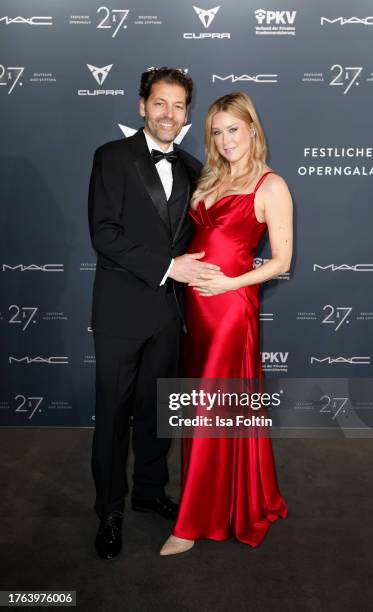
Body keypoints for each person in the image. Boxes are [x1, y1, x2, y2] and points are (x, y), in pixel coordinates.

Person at [88, 67, 220, 560]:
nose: (170, 114)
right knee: (114, 419)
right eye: (160, 103)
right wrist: (169, 266)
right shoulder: (112, 157)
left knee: (157, 415)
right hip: (121, 313)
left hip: (169, 315)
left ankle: (148, 491)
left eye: (180, 106)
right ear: (142, 105)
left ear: (188, 113)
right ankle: (110, 512)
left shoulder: (192, 166)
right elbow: (104, 234)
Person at [160, 92, 293, 556]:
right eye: (216, 131)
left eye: (233, 129)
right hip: (194, 310)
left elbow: (281, 261)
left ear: (252, 129)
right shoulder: (209, 177)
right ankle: (225, 498)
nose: (225, 139)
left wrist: (232, 282)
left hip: (230, 310)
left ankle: (191, 523)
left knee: (211, 411)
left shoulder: (270, 185)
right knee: (200, 408)